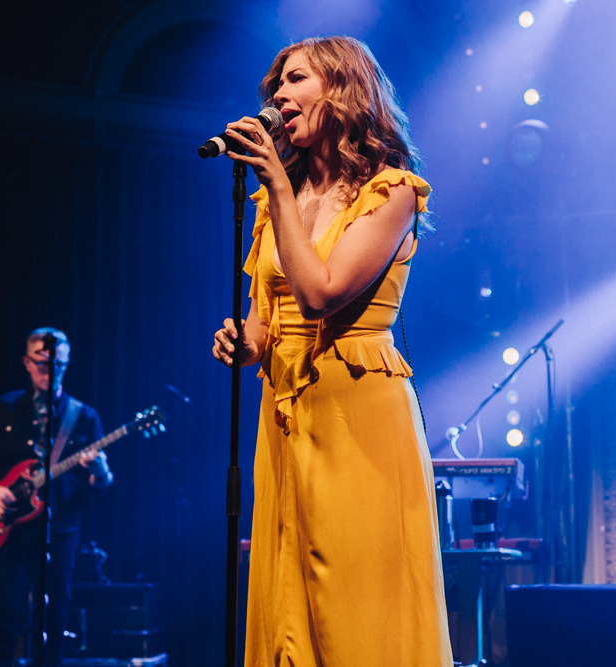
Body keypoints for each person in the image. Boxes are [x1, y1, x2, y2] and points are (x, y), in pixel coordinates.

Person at [211, 36, 453, 666]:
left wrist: (280, 190)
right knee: (289, 590)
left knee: (354, 597)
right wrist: (243, 342)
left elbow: (321, 294)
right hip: (285, 412)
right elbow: (269, 319)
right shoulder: (275, 204)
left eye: (294, 81)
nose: (279, 98)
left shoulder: (390, 191)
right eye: (275, 89)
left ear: (342, 88)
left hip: (356, 409)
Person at [0, 327, 112, 667]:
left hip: (60, 529)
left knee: (55, 618)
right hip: (10, 531)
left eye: (57, 365)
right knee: (5, 616)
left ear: (67, 364)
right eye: (42, 364)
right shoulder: (3, 409)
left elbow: (102, 483)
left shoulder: (83, 417)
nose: (49, 371)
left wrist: (100, 469)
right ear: (26, 363)